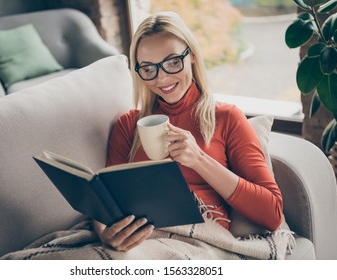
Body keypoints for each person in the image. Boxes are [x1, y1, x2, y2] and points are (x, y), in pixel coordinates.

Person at [93, 11, 283, 252]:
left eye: (173, 62)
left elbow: (272, 214)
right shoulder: (128, 125)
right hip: (141, 245)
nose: (162, 78)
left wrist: (199, 159)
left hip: (202, 245)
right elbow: (105, 201)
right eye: (149, 68)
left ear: (191, 56)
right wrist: (105, 235)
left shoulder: (226, 118)